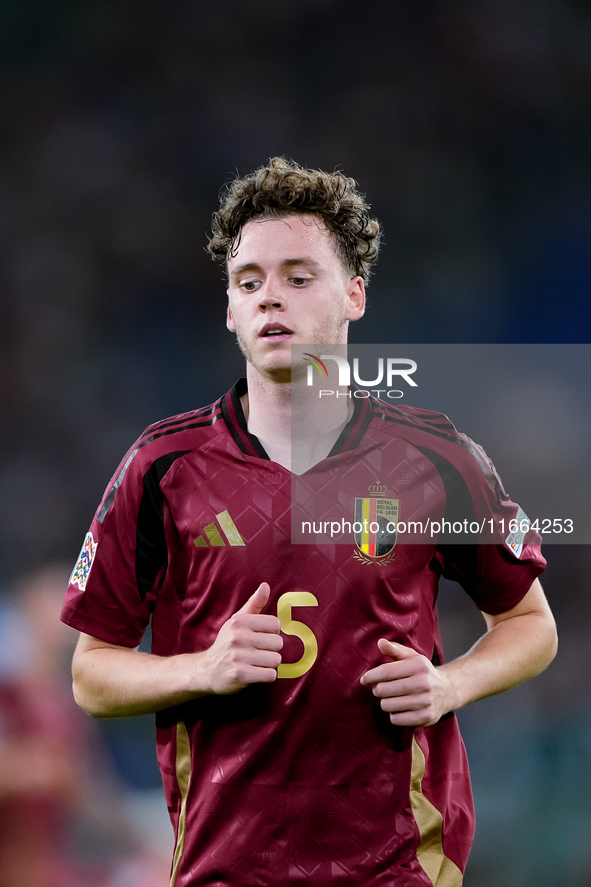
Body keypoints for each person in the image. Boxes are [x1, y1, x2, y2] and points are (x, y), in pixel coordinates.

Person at [61, 157, 557, 887]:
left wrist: (451, 685)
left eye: (298, 277)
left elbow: (529, 623)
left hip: (399, 865)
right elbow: (89, 673)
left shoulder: (435, 456)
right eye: (249, 281)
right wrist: (205, 667)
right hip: (224, 867)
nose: (270, 299)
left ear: (353, 294)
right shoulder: (162, 466)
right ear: (229, 309)